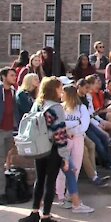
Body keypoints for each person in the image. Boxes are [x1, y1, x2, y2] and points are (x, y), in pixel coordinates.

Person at [19, 76, 69, 222]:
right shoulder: (56, 108)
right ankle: (46, 216)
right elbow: (59, 133)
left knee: (39, 180)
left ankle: (34, 212)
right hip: (53, 149)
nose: (61, 90)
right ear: (54, 89)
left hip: (39, 148)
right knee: (50, 182)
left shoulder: (37, 104)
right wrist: (65, 156)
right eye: (60, 87)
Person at [56, 85, 95, 213]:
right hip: (64, 139)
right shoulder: (60, 108)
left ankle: (70, 195)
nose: (61, 95)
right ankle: (60, 195)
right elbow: (60, 124)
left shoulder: (81, 108)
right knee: (63, 169)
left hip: (78, 138)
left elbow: (84, 124)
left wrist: (73, 128)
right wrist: (71, 127)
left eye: (64, 93)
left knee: (76, 167)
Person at [76, 79, 111, 171]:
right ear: (79, 87)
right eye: (86, 88)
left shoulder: (86, 97)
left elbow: (91, 113)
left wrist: (98, 121)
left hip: (89, 122)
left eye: (88, 88)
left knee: (103, 137)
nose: (87, 90)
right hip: (81, 126)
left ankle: (108, 162)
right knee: (97, 142)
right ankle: (107, 163)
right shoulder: (76, 99)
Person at [0, 68, 18, 191]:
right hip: (0, 130)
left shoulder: (13, 91)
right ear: (4, 77)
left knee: (5, 160)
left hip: (9, 130)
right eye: (12, 75)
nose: (14, 78)